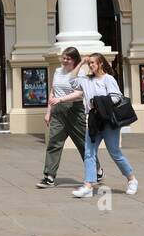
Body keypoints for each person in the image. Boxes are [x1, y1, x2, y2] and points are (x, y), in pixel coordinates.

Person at [51, 53, 137, 198]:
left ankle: (132, 179)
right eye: (89, 63)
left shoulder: (108, 79)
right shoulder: (86, 80)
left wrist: (97, 102)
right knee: (89, 153)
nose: (90, 65)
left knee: (114, 152)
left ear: (101, 64)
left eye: (93, 63)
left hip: (108, 120)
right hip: (93, 119)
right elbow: (71, 81)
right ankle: (88, 185)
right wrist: (80, 63)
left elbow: (116, 97)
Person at [36, 47, 101, 188]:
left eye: (68, 58)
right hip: (58, 111)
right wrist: (48, 112)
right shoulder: (58, 71)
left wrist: (61, 99)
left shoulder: (81, 73)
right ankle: (49, 176)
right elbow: (53, 91)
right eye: (63, 57)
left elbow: (79, 93)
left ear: (74, 60)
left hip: (75, 110)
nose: (64, 60)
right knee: (54, 142)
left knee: (83, 143)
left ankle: (97, 170)